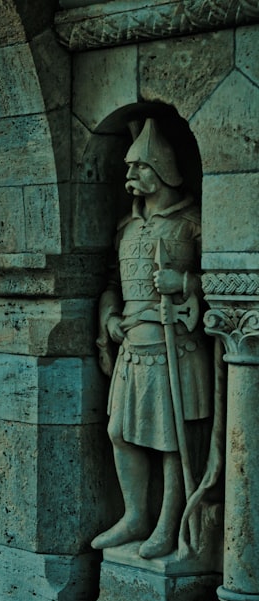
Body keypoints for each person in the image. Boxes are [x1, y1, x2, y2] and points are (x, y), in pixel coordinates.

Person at [91, 118, 211, 560]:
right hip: (133, 348)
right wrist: (109, 318)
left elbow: (229, 284)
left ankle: (169, 522)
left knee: (171, 440)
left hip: (173, 347)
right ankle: (135, 516)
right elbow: (109, 283)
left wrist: (185, 281)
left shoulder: (191, 224)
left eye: (138, 168)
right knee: (120, 434)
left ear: (160, 170)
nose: (129, 177)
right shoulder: (126, 228)